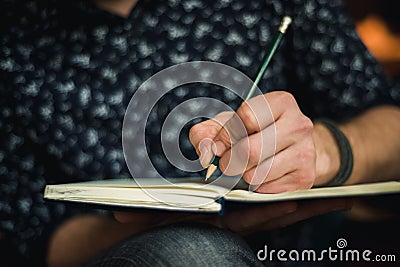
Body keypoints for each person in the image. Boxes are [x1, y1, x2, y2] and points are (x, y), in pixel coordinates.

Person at [0, 0, 399, 266]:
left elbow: (391, 125)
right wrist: (176, 227)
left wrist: (329, 151)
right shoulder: (14, 40)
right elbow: (33, 239)